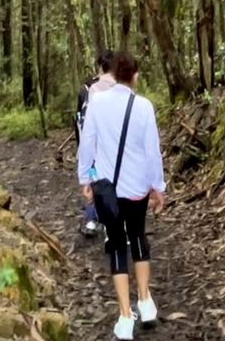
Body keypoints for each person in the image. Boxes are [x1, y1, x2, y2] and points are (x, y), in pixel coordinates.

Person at [77, 52, 164, 337]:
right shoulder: (143, 106)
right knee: (138, 238)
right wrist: (157, 187)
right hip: (137, 188)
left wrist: (85, 178)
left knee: (116, 245)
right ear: (135, 76)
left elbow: (87, 142)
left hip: (107, 190)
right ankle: (145, 300)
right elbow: (152, 151)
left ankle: (126, 316)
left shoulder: (97, 102)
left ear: (113, 74)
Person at [76, 52, 116, 235]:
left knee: (93, 179)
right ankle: (111, 221)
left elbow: (82, 120)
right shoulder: (122, 87)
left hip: (94, 145)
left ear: (100, 67)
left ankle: (92, 219)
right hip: (113, 144)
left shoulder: (89, 88)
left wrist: (82, 145)